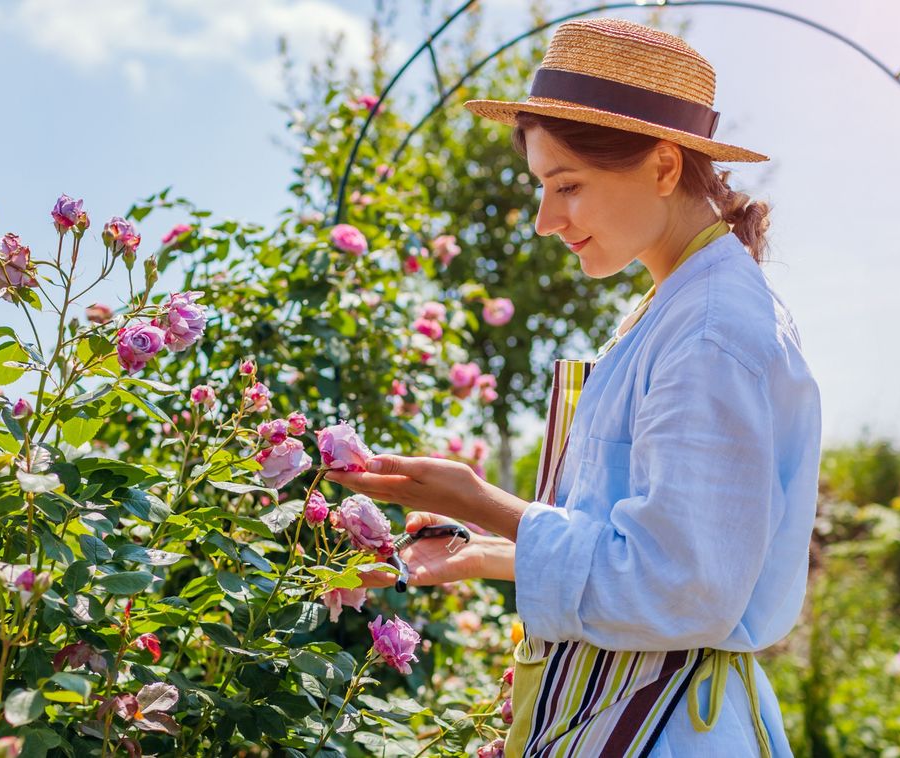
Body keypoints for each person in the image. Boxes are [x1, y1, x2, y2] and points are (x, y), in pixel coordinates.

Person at [325, 17, 821, 757]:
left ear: (661, 167)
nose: (543, 221)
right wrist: (489, 551)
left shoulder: (710, 329)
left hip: (668, 725)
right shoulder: (675, 305)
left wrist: (476, 499)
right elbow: (640, 547)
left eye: (567, 186)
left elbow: (680, 587)